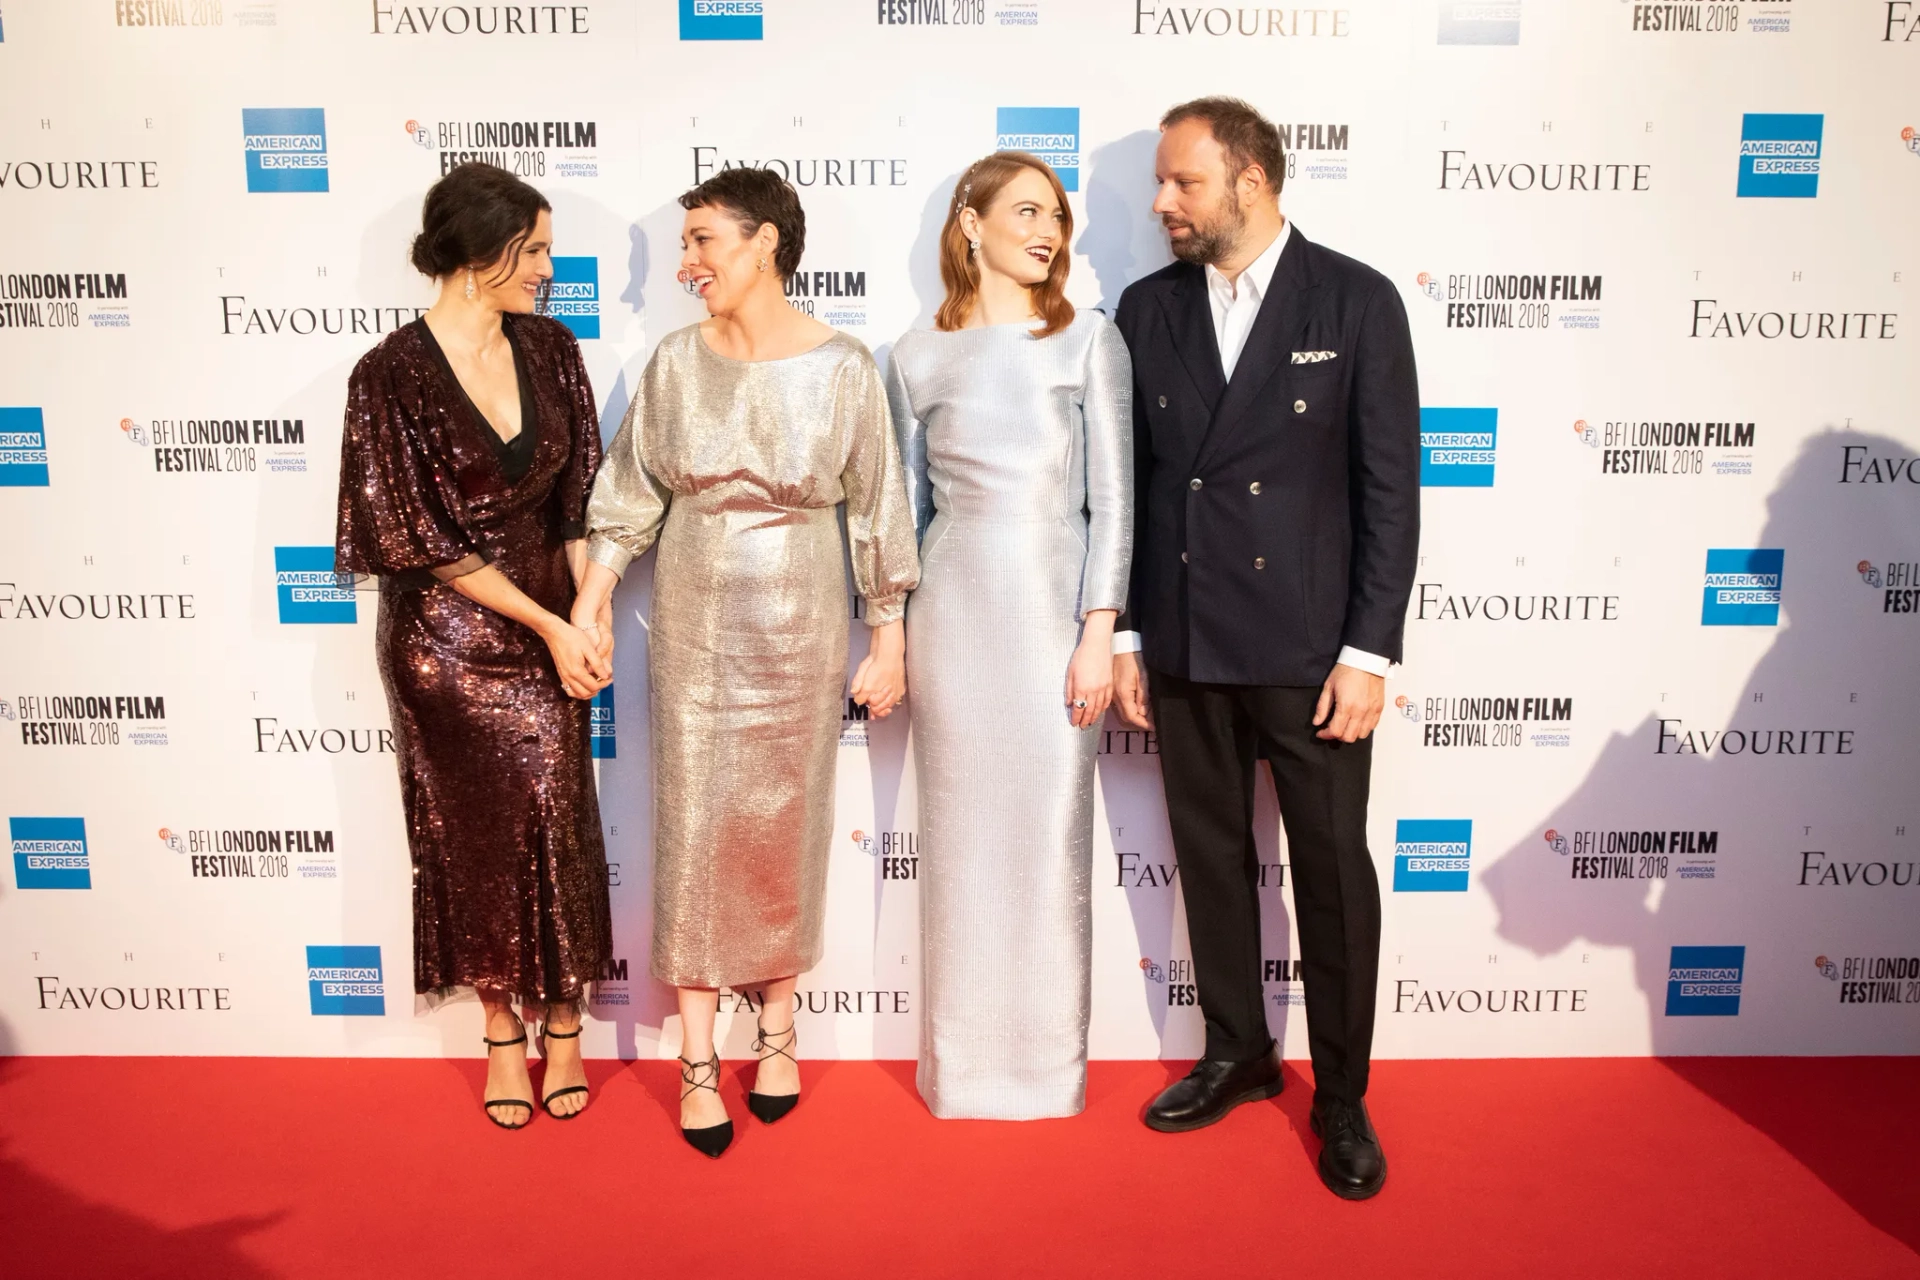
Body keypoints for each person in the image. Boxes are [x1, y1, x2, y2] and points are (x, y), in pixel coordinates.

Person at [570, 166, 919, 1158]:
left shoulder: (846, 366)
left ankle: (776, 1029)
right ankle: (694, 1055)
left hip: (800, 625)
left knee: (782, 823)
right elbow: (627, 498)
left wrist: (887, 636)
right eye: (682, 246)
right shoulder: (675, 364)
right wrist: (590, 606)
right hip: (689, 624)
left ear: (764, 240)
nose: (685, 266)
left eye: (701, 242)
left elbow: (878, 512)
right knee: (690, 829)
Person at [1110, 98, 1420, 1198]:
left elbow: (1390, 491)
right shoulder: (1146, 309)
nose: (1161, 204)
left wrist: (1369, 652)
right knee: (1209, 857)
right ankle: (1237, 1050)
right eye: (1160, 183)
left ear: (1249, 180)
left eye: (1182, 183)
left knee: (1332, 876)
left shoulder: (1357, 297)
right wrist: (1135, 631)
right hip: (1189, 638)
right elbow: (1136, 488)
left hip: (1310, 652)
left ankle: (1341, 1096)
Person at [334, 162, 614, 1130]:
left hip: (551, 623)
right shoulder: (387, 377)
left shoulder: (552, 347)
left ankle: (566, 1019)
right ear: (475, 255)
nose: (546, 268)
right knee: (471, 840)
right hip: (445, 646)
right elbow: (419, 543)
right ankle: (504, 1028)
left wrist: (589, 607)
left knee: (562, 816)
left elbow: (579, 495)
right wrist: (548, 623)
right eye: (531, 251)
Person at [886, 152, 1132, 1119]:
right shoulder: (913, 354)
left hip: (1050, 617)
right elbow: (903, 517)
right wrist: (893, 636)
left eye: (1059, 218)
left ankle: (1043, 1072)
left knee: (1045, 847)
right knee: (959, 850)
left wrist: (1098, 633)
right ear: (970, 221)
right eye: (1027, 211)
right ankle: (963, 1070)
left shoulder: (1085, 341)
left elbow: (1112, 504)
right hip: (952, 614)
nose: (1048, 232)